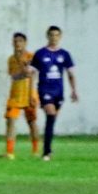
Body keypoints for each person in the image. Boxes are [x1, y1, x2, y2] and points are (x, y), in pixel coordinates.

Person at [30, 25, 79, 161]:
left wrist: (74, 91)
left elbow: (70, 74)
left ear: (60, 37)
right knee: (50, 115)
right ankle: (46, 152)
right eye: (51, 35)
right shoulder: (40, 53)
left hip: (58, 91)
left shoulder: (65, 54)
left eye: (57, 35)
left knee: (51, 121)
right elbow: (32, 73)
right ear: (47, 36)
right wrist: (31, 92)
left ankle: (48, 149)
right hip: (44, 89)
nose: (54, 38)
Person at [0, 32, 39, 159]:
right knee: (10, 121)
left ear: (25, 43)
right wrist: (22, 72)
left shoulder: (31, 56)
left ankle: (35, 151)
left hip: (29, 94)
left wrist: (31, 95)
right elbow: (14, 76)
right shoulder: (11, 59)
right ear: (12, 43)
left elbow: (32, 75)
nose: (18, 43)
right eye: (15, 41)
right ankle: (10, 152)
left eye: (20, 41)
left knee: (32, 122)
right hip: (15, 95)